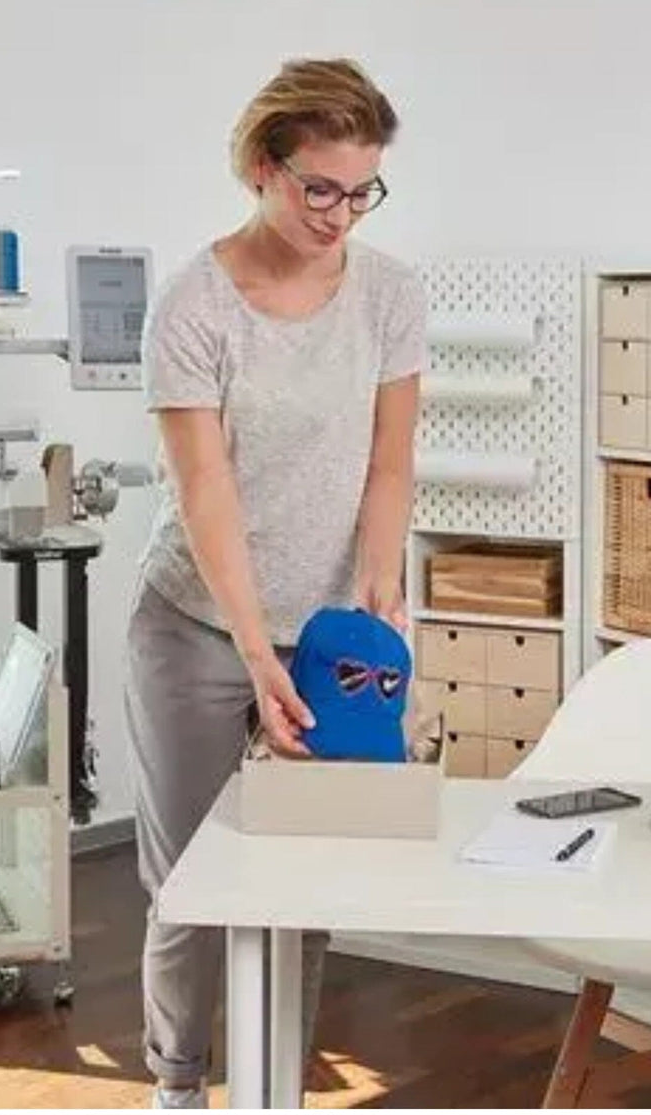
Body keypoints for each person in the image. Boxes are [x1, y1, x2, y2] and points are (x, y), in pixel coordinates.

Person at [124, 57, 427, 1109]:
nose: (339, 215)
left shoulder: (389, 295)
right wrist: (257, 653)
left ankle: (278, 1088)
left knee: (309, 872)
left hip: (328, 631)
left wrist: (377, 589)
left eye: (362, 191)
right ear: (263, 167)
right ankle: (178, 1084)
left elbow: (390, 464)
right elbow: (205, 490)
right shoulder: (194, 306)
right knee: (190, 879)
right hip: (198, 626)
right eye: (319, 189)